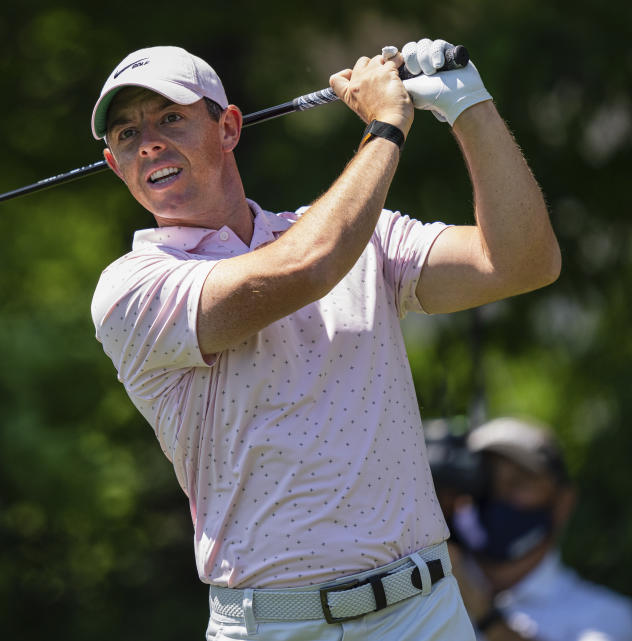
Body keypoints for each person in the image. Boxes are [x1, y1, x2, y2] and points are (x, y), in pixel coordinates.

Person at [89, 38, 560, 640]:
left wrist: (469, 105)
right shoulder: (131, 287)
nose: (149, 140)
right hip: (276, 626)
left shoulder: (362, 236)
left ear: (228, 127)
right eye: (126, 134)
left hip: (422, 614)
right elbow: (307, 268)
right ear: (115, 164)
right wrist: (388, 126)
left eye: (171, 117)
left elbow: (523, 261)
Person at [444, 417, 632, 640]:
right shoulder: (428, 591)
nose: (497, 495)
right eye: (485, 481)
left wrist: (483, 613)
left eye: (519, 482)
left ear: (563, 502)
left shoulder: (609, 617)